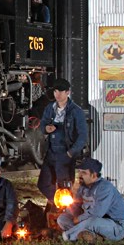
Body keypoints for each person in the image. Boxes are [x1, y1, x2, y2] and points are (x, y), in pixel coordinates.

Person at [36, 77, 88, 206]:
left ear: (68, 92)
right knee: (43, 184)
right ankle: (56, 205)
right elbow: (42, 125)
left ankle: (66, 210)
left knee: (64, 187)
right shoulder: (50, 108)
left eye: (60, 91)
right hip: (50, 152)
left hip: (65, 154)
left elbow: (82, 136)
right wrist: (46, 129)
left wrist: (71, 153)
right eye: (55, 91)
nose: (57, 94)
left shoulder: (76, 111)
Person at [56, 157, 124, 242]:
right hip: (89, 221)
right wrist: (74, 194)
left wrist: (79, 219)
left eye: (83, 173)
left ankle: (67, 236)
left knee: (92, 221)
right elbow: (75, 206)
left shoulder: (105, 188)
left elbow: (97, 213)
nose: (80, 175)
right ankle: (91, 236)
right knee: (62, 219)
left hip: (114, 226)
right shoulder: (83, 186)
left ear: (93, 175)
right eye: (79, 172)